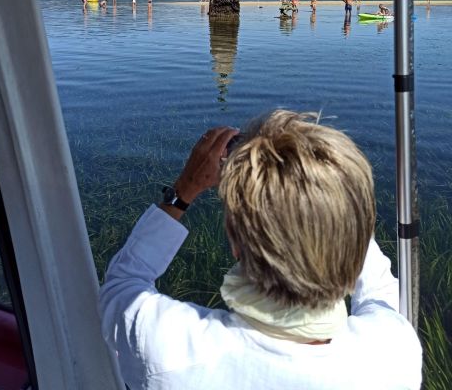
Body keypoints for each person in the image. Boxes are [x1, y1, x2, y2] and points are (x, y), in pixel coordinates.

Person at [99, 111, 421, 390]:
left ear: (236, 246)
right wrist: (329, 197)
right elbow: (378, 282)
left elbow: (122, 284)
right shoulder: (394, 355)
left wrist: (185, 189)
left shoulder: (170, 348)